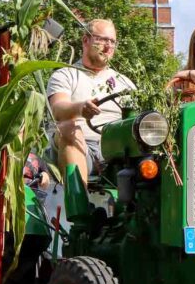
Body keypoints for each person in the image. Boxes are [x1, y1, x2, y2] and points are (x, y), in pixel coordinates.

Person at [47, 19, 137, 185]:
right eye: (102, 40)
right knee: (68, 127)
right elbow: (58, 109)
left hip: (115, 152)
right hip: (78, 145)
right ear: (85, 40)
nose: (108, 46)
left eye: (112, 42)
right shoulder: (65, 75)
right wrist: (80, 108)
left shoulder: (125, 83)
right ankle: (78, 199)